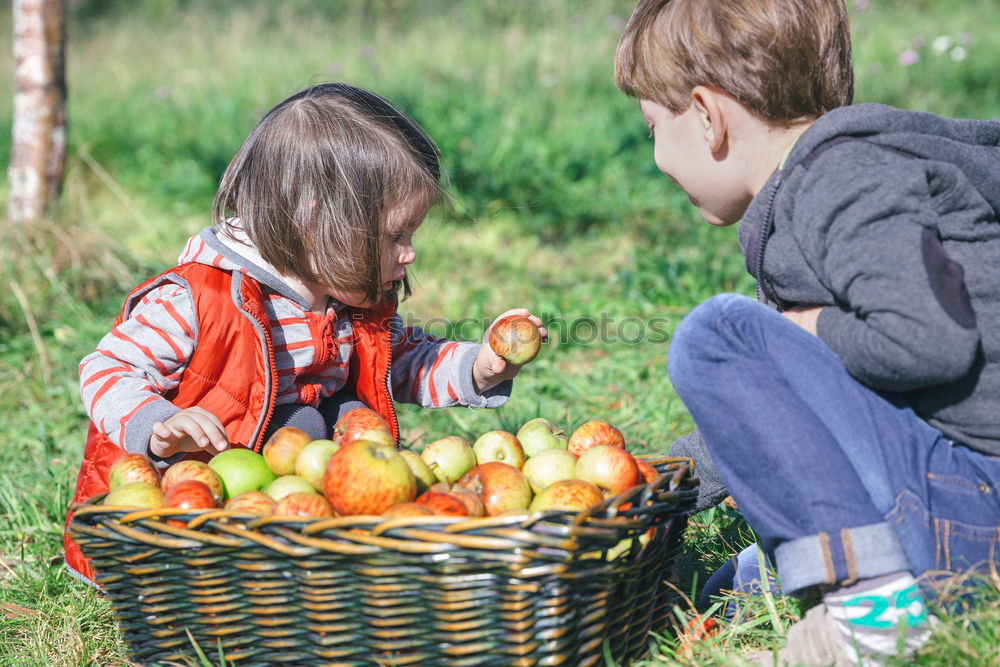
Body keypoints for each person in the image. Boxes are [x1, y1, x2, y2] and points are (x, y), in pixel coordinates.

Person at [614, 0, 1000, 664]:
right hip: (959, 495)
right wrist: (652, 479)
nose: (656, 154)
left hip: (976, 512)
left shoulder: (841, 179)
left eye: (654, 126)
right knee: (731, 590)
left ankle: (870, 608)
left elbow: (927, 339)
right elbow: (801, 404)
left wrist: (809, 326)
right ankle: (875, 584)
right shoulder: (829, 184)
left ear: (708, 116)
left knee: (717, 335)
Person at [64, 82, 545, 583]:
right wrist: (156, 425)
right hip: (188, 505)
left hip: (287, 496)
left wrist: (481, 366)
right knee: (312, 426)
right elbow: (107, 369)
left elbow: (403, 362)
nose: (410, 253)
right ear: (316, 224)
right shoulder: (196, 300)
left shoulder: (344, 297)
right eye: (394, 236)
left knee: (349, 419)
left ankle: (334, 555)